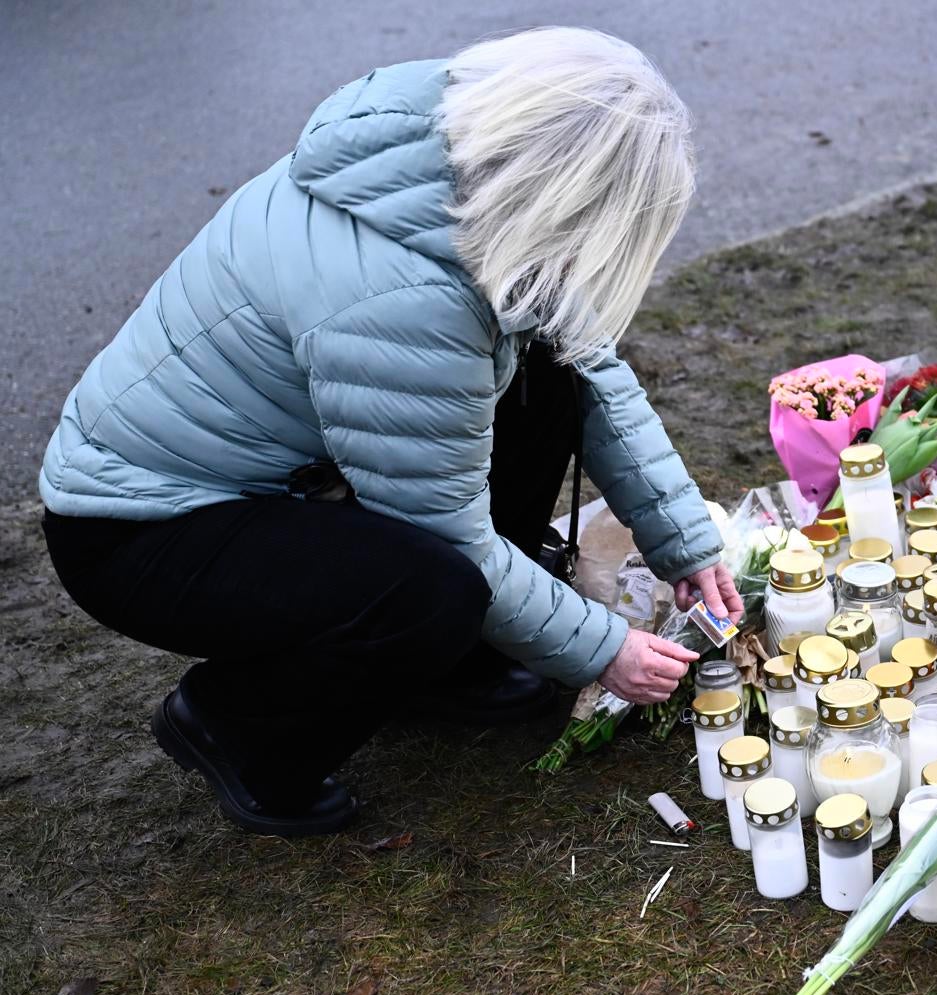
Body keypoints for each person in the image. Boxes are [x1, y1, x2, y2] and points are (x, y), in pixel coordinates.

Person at [37, 28, 741, 838]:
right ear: (568, 196)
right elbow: (443, 537)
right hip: (141, 531)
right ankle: (235, 726)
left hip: (269, 482)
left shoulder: (445, 170)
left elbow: (589, 363)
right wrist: (601, 650)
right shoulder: (404, 296)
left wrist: (685, 543)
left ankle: (447, 667)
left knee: (552, 373)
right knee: (427, 590)